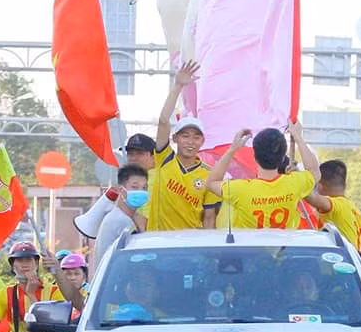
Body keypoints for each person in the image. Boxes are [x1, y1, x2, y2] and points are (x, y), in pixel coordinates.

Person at [140, 61, 221, 230]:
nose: (190, 142)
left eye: (196, 137)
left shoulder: (209, 175)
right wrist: (178, 86)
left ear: (202, 141)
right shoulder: (165, 159)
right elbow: (163, 121)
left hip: (188, 242)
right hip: (158, 239)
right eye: (185, 136)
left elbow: (209, 218)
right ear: (175, 138)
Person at [205, 122, 320, 228]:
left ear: (254, 157)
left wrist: (233, 149)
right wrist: (298, 138)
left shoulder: (240, 189)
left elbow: (211, 183)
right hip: (283, 244)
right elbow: (314, 172)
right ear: (282, 158)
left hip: (250, 245)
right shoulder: (294, 183)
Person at [305, 159, 361, 252]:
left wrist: (297, 183)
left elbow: (312, 198)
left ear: (319, 186)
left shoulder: (336, 206)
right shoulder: (355, 211)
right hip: (356, 259)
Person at [94, 164, 149, 263]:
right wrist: (142, 230)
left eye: (144, 188)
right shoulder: (122, 221)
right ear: (121, 190)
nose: (141, 191)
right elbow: (139, 257)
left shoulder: (116, 216)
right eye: (135, 187)